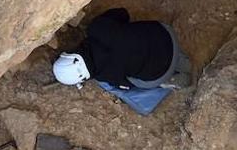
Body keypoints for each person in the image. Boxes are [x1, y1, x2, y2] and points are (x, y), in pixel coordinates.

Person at [53, 8, 192, 91]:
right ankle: (181, 59)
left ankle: (170, 79)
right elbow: (122, 13)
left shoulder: (107, 75)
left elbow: (127, 85)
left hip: (160, 71)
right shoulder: (96, 28)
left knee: (139, 81)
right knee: (139, 41)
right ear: (70, 53)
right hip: (165, 33)